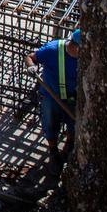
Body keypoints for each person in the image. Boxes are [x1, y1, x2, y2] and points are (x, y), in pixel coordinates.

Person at [25, 29, 81, 176]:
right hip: (52, 95)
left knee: (74, 123)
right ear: (75, 46)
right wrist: (31, 66)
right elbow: (31, 57)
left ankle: (69, 145)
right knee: (50, 123)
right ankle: (54, 152)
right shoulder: (52, 50)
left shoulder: (84, 58)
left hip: (73, 96)